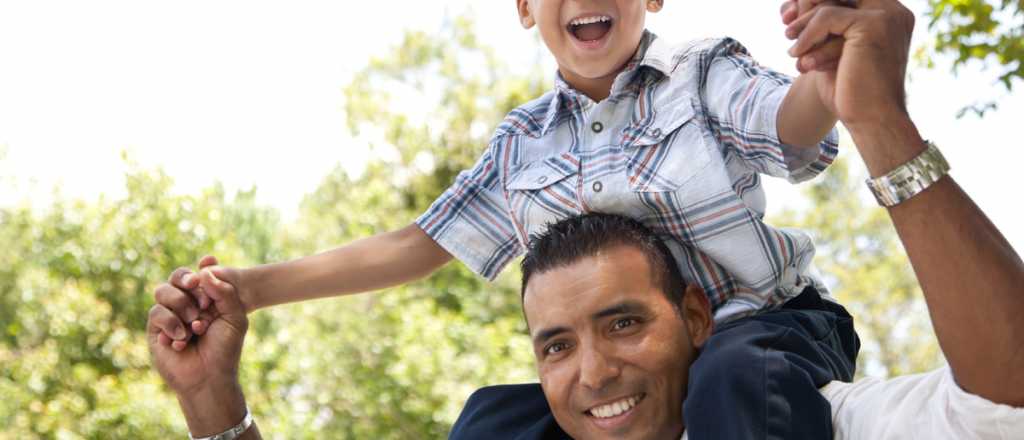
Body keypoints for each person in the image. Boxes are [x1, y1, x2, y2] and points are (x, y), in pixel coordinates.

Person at [147, 0, 1024, 438]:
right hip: (653, 368)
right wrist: (250, 288)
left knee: (732, 383)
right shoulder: (523, 142)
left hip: (768, 332)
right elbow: (419, 243)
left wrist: (836, 89)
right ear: (526, 9)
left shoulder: (701, 76)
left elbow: (789, 123)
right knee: (494, 418)